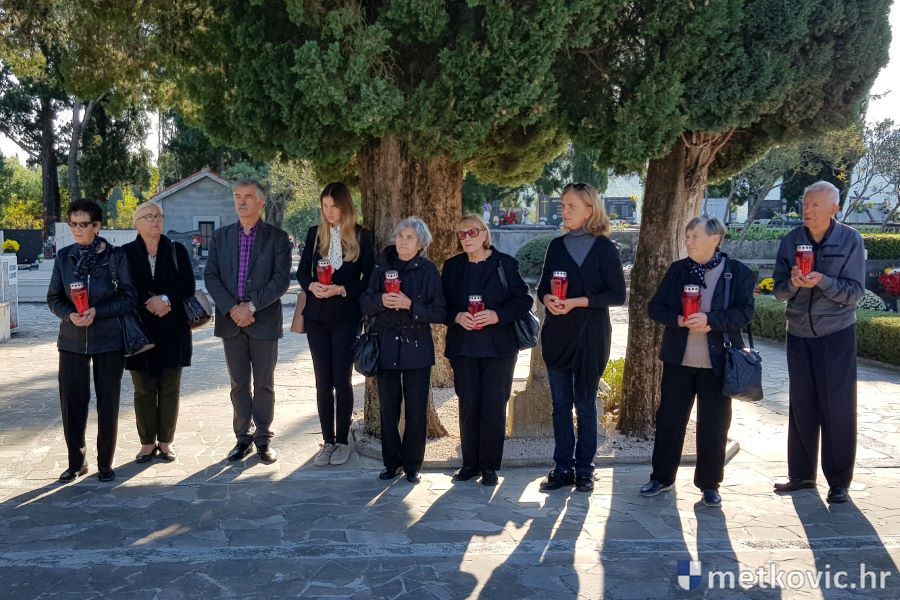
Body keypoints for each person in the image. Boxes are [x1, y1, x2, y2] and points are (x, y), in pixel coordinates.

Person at [640, 217, 755, 507]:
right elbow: (656, 308)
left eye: (695, 236)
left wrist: (710, 320)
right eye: (687, 235)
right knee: (669, 420)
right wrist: (679, 320)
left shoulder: (736, 273)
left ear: (715, 239)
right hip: (678, 360)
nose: (688, 241)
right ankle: (661, 478)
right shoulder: (678, 270)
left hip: (718, 362)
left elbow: (745, 314)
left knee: (714, 425)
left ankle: (710, 484)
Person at [772, 181, 866, 504]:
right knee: (801, 406)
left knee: (837, 407)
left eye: (815, 204)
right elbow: (778, 291)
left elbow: (855, 292)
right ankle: (801, 475)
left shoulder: (850, 240)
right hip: (798, 332)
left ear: (834, 209)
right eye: (805, 204)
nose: (807, 210)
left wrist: (823, 281)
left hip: (836, 333)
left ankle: (839, 482)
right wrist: (794, 284)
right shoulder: (791, 240)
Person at [538, 183, 626, 493]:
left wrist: (577, 302)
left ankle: (585, 470)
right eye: (562, 205)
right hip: (557, 335)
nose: (564, 211)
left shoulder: (604, 248)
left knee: (585, 405)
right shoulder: (556, 247)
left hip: (591, 337)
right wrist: (548, 298)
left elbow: (618, 295)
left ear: (590, 210)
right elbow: (542, 287)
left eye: (571, 206)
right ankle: (562, 468)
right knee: (560, 405)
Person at [47, 199, 138, 482]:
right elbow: (53, 298)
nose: (77, 229)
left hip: (108, 340)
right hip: (72, 340)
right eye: (73, 224)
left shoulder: (115, 256)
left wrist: (98, 311)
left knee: (107, 403)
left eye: (83, 224)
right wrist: (69, 315)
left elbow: (129, 297)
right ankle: (76, 462)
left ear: (97, 226)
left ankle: (105, 463)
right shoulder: (64, 257)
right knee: (72, 403)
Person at [204, 179, 291, 464]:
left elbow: (280, 281)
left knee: (264, 383)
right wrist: (233, 309)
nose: (241, 201)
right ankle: (243, 438)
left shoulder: (277, 238)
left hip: (263, 319)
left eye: (248, 197)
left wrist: (250, 306)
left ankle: (263, 438)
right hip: (231, 322)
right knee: (238, 383)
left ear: (261, 203)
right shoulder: (221, 237)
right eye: (237, 196)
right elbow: (211, 276)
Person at [441, 215, 533, 486]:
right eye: (461, 234)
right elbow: (441, 306)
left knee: (493, 406)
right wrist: (457, 316)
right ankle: (469, 464)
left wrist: (497, 315)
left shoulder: (505, 264)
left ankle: (490, 466)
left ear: (484, 234)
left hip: (499, 348)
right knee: (469, 405)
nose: (466, 238)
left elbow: (524, 300)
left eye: (472, 232)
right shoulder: (453, 267)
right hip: (464, 348)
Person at [360, 217, 446, 484]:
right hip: (385, 345)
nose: (403, 241)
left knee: (416, 410)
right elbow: (364, 302)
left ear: (421, 244)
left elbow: (440, 312)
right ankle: (391, 463)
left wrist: (411, 306)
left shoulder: (428, 271)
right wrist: (380, 300)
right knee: (388, 409)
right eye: (400, 236)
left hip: (416, 347)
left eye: (410, 238)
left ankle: (413, 465)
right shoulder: (381, 267)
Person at [298, 182, 375, 466]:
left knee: (342, 381)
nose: (329, 211)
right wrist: (312, 286)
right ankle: (327, 441)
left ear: (345, 206)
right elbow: (302, 272)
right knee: (322, 382)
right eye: (325, 206)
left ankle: (342, 441)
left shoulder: (361, 236)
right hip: (316, 318)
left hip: (346, 318)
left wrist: (342, 289)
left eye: (334, 206)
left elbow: (369, 279)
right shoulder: (314, 234)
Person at [122, 202, 196, 464]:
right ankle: (146, 443)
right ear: (136, 223)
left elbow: (187, 285)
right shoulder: (125, 253)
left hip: (173, 329)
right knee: (143, 389)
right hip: (139, 332)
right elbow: (122, 287)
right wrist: (149, 302)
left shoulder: (176, 250)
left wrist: (165, 299)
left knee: (170, 388)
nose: (155, 220)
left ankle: (166, 442)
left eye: (159, 216)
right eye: (149, 216)